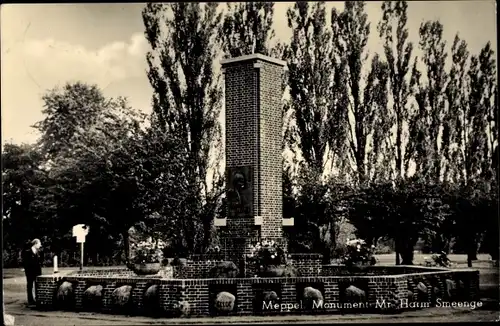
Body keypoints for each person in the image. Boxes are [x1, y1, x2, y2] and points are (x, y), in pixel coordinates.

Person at [22, 239, 42, 305]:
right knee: (30, 285)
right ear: (35, 244)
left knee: (37, 285)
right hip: (30, 272)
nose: (40, 245)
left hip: (37, 272)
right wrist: (27, 270)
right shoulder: (27, 252)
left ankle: (37, 298)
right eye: (39, 243)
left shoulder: (38, 252)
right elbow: (26, 263)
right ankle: (30, 300)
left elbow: (39, 262)